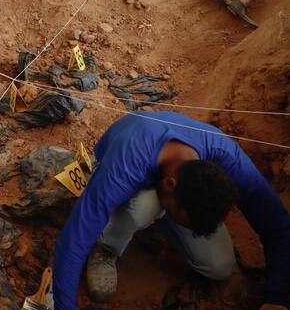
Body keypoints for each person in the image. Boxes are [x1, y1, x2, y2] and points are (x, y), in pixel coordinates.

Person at [54, 111, 290, 310]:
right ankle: (107, 246)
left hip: (166, 190)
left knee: (219, 266)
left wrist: (277, 299)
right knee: (143, 207)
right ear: (169, 184)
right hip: (133, 171)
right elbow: (74, 240)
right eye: (184, 221)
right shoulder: (123, 167)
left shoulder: (226, 155)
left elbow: (278, 226)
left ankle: (155, 223)